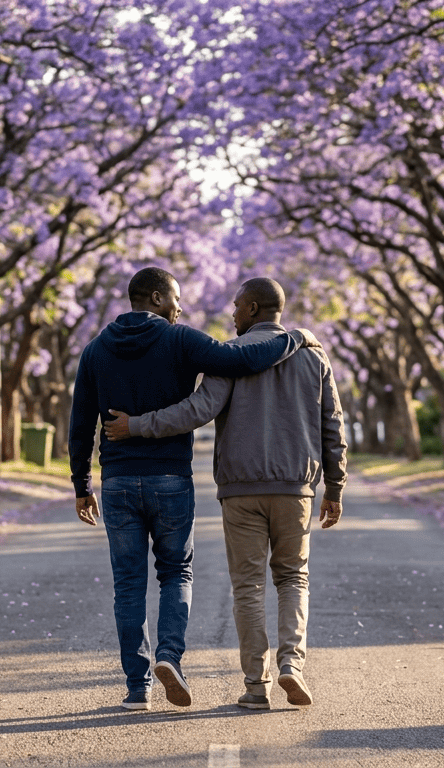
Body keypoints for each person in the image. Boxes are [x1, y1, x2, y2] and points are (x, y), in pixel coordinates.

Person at [70, 267, 322, 712]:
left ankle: (137, 687)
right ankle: (169, 656)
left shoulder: (95, 350)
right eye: (176, 300)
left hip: (119, 481)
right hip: (170, 479)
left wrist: (80, 484)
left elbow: (80, 422)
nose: (181, 308)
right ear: (155, 297)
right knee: (175, 574)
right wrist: (296, 337)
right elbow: (241, 360)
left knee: (128, 584)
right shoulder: (182, 339)